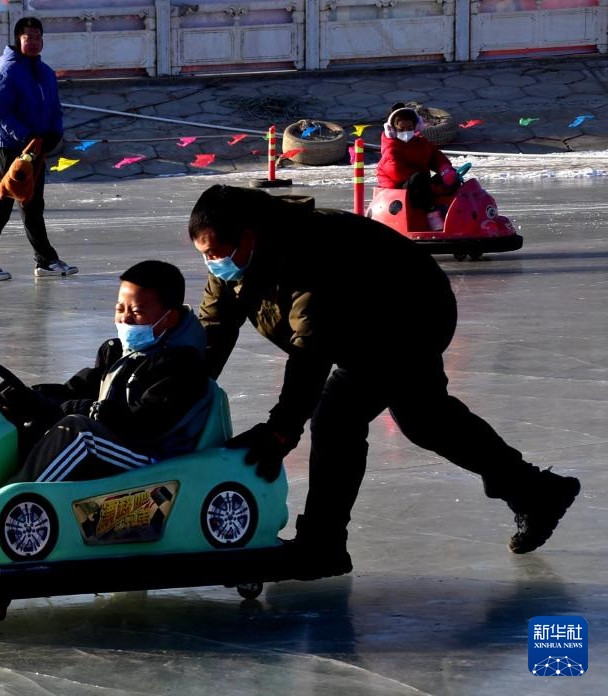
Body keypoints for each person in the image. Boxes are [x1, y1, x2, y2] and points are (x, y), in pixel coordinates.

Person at [188, 184, 580, 581]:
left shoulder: (310, 250)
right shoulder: (235, 260)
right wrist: (182, 394)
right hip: (364, 321)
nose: (212, 263)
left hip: (411, 312)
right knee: (425, 417)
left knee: (337, 417)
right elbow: (214, 327)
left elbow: (311, 350)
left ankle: (322, 544)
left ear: (248, 236)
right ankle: (537, 492)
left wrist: (281, 431)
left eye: (216, 252)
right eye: (204, 254)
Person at [6, 260, 211, 482]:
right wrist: (28, 396)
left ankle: (17, 497)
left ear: (169, 318)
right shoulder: (117, 352)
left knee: (81, 433)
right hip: (118, 444)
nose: (125, 318)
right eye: (120, 309)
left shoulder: (182, 366)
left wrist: (93, 411)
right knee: (32, 420)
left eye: (137, 312)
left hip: (153, 456)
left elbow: (147, 423)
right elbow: (77, 388)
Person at [0, 17, 77, 281]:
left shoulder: (46, 73)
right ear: (18, 39)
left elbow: (54, 108)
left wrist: (54, 133)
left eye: (38, 37)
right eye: (29, 37)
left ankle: (46, 261)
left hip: (36, 148)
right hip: (8, 148)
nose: (34, 42)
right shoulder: (6, 72)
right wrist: (25, 137)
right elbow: (0, 114)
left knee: (33, 205)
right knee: (1, 205)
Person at [377, 103, 460, 231]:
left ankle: (455, 215)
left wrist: (445, 169)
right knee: (419, 178)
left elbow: (434, 155)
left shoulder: (419, 142)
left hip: (420, 182)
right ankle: (432, 213)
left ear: (416, 126)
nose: (406, 132)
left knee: (451, 179)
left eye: (409, 128)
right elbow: (398, 172)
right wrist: (429, 186)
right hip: (398, 186)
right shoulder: (390, 147)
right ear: (392, 129)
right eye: (401, 129)